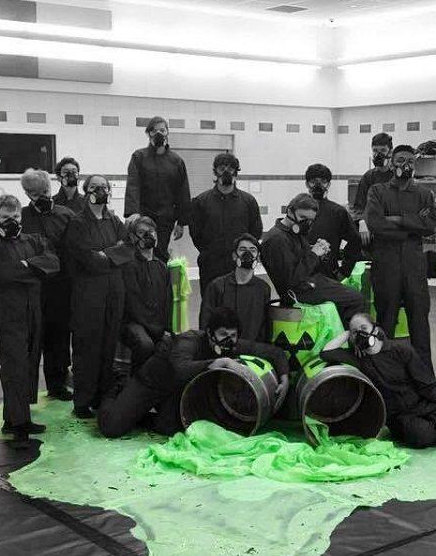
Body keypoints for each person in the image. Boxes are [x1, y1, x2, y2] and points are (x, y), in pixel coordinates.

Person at [97, 307, 290, 439]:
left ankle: (139, 414)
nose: (228, 341)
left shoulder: (232, 346)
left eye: (233, 335)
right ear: (209, 333)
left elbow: (274, 352)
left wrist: (284, 378)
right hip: (152, 383)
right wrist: (218, 362)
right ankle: (118, 387)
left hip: (175, 391)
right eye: (223, 335)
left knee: (171, 429)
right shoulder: (189, 340)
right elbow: (178, 369)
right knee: (111, 428)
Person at [321, 313, 436, 449]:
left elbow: (426, 380)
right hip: (400, 415)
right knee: (422, 438)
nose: (360, 334)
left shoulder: (400, 350)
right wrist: (349, 333)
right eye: (356, 332)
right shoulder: (358, 358)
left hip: (424, 405)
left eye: (363, 328)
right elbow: (327, 352)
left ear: (375, 329)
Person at [0, 195, 60, 448]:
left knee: (28, 363)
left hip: (33, 311)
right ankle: (19, 422)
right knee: (14, 365)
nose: (11, 221)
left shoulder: (33, 240)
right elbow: (4, 274)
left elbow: (54, 263)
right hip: (7, 314)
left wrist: (27, 266)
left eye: (15, 217)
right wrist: (33, 270)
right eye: (5, 217)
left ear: (21, 216)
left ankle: (11, 417)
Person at [364, 144, 436, 374]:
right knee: (385, 322)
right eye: (400, 160)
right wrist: (411, 227)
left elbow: (430, 226)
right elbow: (376, 224)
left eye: (410, 161)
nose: (405, 165)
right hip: (386, 266)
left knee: (420, 324)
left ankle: (425, 378)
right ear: (391, 162)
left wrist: (397, 218)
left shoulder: (424, 194)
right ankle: (383, 374)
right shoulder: (377, 191)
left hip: (414, 268)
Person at [64, 174, 133, 418]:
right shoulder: (77, 223)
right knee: (87, 346)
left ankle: (102, 397)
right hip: (88, 293)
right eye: (95, 187)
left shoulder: (114, 220)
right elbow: (85, 257)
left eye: (104, 187)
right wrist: (108, 257)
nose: (101, 191)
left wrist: (105, 255)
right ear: (86, 191)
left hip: (114, 291)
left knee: (108, 344)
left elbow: (127, 249)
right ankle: (82, 401)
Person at [260, 193, 367, 325]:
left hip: (310, 283)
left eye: (310, 221)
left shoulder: (293, 234)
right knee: (356, 299)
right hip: (299, 291)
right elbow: (291, 279)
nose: (306, 224)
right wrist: (314, 254)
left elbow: (302, 261)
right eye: (302, 218)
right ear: (289, 211)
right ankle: (349, 339)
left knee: (354, 296)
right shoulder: (276, 239)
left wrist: (319, 252)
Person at [19, 168, 76, 400]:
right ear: (25, 192)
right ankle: (27, 391)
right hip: (33, 286)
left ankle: (57, 384)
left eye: (42, 191)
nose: (38, 196)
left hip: (61, 286)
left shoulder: (67, 215)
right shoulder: (21, 216)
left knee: (59, 337)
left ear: (49, 188)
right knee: (32, 339)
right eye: (31, 192)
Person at [189, 153, 262, 293]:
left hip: (240, 264)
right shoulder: (201, 201)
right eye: (222, 168)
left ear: (236, 172)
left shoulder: (249, 202)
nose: (227, 172)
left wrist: (244, 253)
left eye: (231, 168)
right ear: (215, 172)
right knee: (211, 304)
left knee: (240, 304)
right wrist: (209, 252)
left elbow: (255, 232)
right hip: (211, 264)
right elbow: (195, 233)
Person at [125, 116, 191, 260]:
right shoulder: (139, 157)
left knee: (160, 254)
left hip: (165, 219)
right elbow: (133, 185)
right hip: (143, 216)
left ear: (167, 133)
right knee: (141, 253)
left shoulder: (176, 161)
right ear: (148, 134)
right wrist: (133, 213)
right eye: (154, 131)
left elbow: (183, 192)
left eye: (162, 130)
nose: (158, 133)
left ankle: (160, 281)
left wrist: (182, 222)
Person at [121, 215, 173, 369]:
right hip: (133, 323)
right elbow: (133, 304)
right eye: (142, 232)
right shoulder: (129, 266)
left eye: (151, 232)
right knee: (145, 345)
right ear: (133, 237)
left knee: (172, 345)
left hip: (157, 324)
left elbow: (167, 303)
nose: (148, 236)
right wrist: (155, 330)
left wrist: (167, 330)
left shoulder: (162, 267)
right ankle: (137, 382)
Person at [200, 233, 271, 343]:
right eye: (242, 249)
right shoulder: (216, 286)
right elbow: (205, 323)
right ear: (234, 256)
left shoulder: (263, 289)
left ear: (258, 257)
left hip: (251, 349)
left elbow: (265, 326)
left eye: (253, 250)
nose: (248, 253)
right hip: (224, 348)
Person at [305, 163, 361, 280]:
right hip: (301, 275)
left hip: (328, 275)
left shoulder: (337, 212)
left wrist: (344, 271)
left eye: (323, 181)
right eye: (313, 181)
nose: (318, 185)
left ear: (329, 184)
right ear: (307, 184)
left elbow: (355, 240)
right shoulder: (298, 209)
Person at [351, 132, 394, 247]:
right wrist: (362, 221)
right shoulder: (368, 177)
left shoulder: (398, 177)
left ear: (390, 151)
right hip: (372, 232)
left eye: (383, 150)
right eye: (375, 150)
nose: (378, 154)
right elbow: (358, 207)